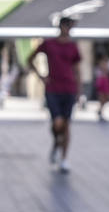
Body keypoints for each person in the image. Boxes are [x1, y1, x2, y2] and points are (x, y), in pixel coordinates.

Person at [28, 16, 82, 173]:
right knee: (57, 123)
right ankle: (56, 143)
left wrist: (79, 91)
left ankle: (64, 159)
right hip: (53, 88)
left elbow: (77, 70)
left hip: (69, 88)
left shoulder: (73, 47)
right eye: (67, 26)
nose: (69, 29)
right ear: (61, 26)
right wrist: (41, 76)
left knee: (67, 125)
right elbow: (30, 59)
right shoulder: (49, 44)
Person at [94, 52, 109, 121]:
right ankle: (100, 112)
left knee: (107, 97)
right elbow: (106, 70)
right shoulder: (102, 63)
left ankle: (100, 110)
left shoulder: (105, 63)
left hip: (105, 79)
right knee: (102, 97)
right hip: (102, 80)